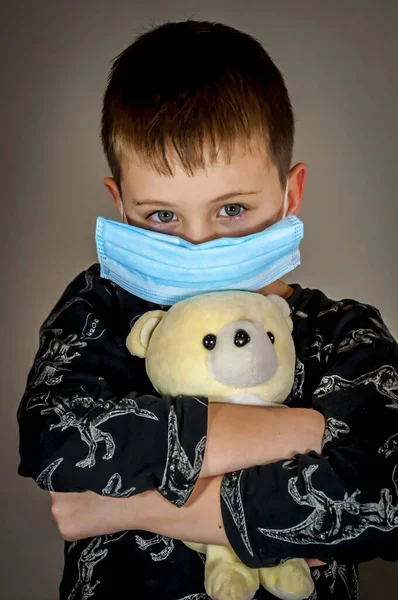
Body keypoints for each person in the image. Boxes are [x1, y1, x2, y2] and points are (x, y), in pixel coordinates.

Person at [17, 19, 398, 600]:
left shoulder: (343, 334)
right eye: (162, 216)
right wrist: (299, 430)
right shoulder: (102, 311)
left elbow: (381, 497)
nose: (199, 245)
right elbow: (57, 438)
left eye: (233, 209)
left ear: (289, 194)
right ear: (120, 205)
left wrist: (117, 508)